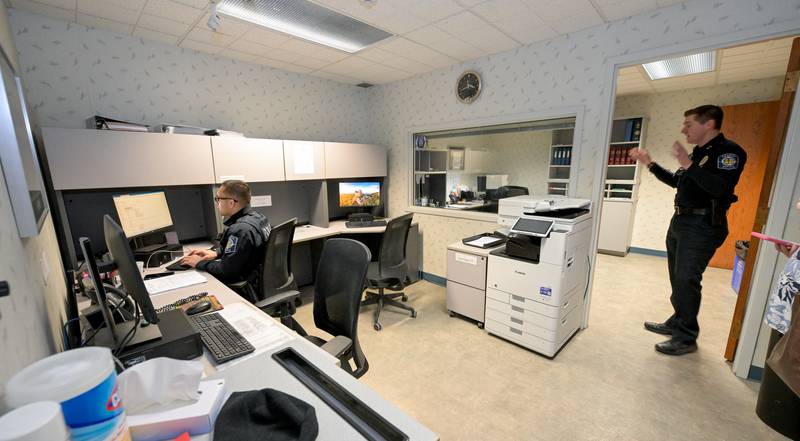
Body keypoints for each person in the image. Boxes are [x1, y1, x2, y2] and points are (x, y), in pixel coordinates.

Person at [629, 104, 747, 355]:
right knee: (677, 277)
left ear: (709, 123)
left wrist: (688, 164)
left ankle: (686, 337)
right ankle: (678, 320)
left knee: (686, 279)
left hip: (702, 225)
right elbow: (677, 181)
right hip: (681, 221)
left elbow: (720, 189)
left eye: (688, 124)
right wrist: (649, 163)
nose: (683, 129)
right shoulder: (697, 153)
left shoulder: (729, 153)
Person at [180, 180, 270, 300]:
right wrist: (216, 253)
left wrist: (198, 262)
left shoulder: (240, 229)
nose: (217, 204)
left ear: (231, 203)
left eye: (218, 199)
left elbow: (225, 270)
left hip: (247, 286)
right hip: (260, 279)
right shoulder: (258, 217)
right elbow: (243, 250)